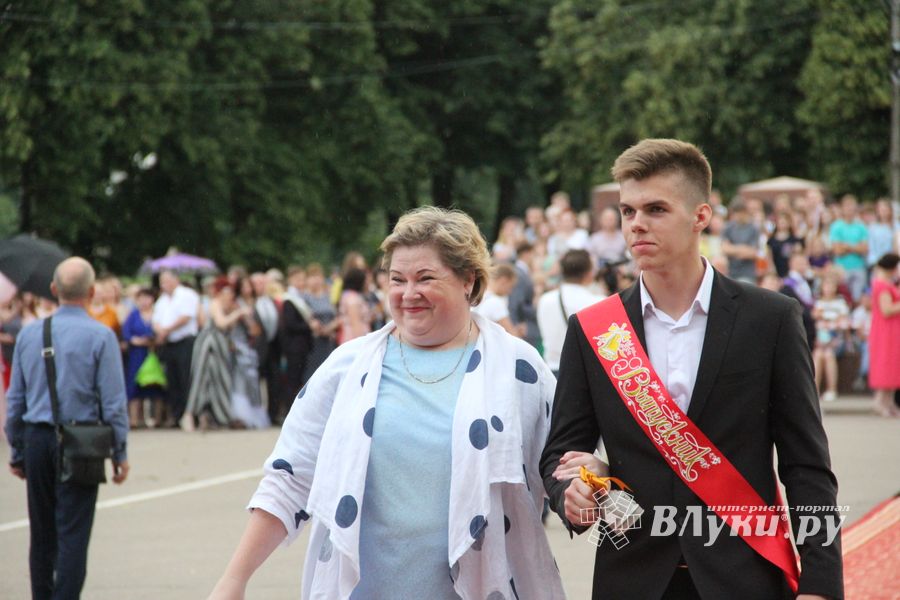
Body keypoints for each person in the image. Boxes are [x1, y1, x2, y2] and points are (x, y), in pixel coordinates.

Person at [209, 206, 565, 600]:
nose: (408, 294)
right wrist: (234, 579)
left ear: (469, 279)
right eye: (397, 280)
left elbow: (563, 462)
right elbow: (289, 477)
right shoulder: (348, 367)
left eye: (425, 278)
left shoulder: (518, 369)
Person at [540, 139, 842, 600]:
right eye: (627, 211)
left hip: (744, 575)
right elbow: (560, 451)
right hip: (633, 578)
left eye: (655, 209)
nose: (636, 224)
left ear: (701, 216)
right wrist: (571, 495)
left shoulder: (771, 319)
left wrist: (820, 583)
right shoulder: (593, 329)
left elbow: (806, 466)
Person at [5, 257, 129, 600]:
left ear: (54, 290)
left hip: (37, 437)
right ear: (91, 292)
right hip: (83, 441)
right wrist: (119, 452)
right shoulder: (101, 336)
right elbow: (113, 402)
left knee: (42, 534)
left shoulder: (30, 334)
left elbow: (15, 399)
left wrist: (17, 449)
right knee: (73, 533)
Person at [183, 278, 246, 430]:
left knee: (219, 381)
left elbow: (228, 328)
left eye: (230, 292)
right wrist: (238, 313)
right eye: (225, 291)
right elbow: (220, 323)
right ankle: (189, 415)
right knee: (200, 379)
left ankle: (215, 416)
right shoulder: (215, 303)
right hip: (209, 344)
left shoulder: (229, 307)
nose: (228, 295)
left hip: (221, 346)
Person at [537, 249, 603, 377]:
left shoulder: (545, 299)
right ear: (589, 273)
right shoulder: (598, 302)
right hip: (584, 373)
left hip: (551, 370)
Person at [152, 270, 200, 428]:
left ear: (175, 279)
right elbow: (156, 320)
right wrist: (161, 330)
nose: (163, 284)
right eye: (161, 281)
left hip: (184, 342)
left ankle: (189, 413)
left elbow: (186, 317)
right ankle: (176, 413)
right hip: (169, 343)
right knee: (172, 380)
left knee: (185, 378)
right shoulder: (162, 300)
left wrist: (167, 329)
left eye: (166, 281)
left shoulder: (187, 295)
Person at [122, 288, 164, 429]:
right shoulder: (133, 315)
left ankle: (158, 419)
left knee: (157, 385)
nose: (144, 301)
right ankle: (134, 419)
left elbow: (162, 331)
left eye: (147, 297)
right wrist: (137, 340)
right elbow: (126, 333)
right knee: (134, 385)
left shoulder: (158, 314)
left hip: (154, 353)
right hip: (137, 353)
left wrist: (155, 340)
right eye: (141, 298)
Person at [867, 252, 900, 417]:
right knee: (886, 362)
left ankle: (889, 401)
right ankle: (880, 400)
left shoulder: (885, 283)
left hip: (892, 329)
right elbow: (887, 309)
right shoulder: (882, 285)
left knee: (893, 364)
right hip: (886, 330)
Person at [812, 275, 850, 403]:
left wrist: (826, 320)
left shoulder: (840, 302)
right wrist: (832, 321)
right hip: (820, 341)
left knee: (828, 354)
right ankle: (814, 391)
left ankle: (832, 390)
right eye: (826, 285)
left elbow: (844, 324)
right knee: (818, 355)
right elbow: (816, 320)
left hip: (836, 341)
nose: (829, 288)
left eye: (831, 285)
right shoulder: (817, 302)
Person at [301, 263, 339, 384]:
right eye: (312, 277)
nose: (316, 280)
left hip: (330, 338)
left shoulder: (329, 295)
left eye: (318, 276)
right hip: (314, 340)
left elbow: (338, 315)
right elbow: (306, 316)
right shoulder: (305, 297)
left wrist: (331, 327)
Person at [829, 194, 868, 301]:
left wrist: (846, 246)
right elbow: (837, 250)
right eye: (847, 206)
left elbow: (864, 249)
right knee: (844, 298)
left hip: (859, 267)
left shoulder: (861, 226)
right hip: (841, 269)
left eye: (852, 206)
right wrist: (856, 247)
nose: (850, 209)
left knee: (857, 299)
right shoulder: (836, 226)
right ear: (842, 208)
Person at [472, 263, 520, 335]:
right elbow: (511, 334)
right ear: (503, 281)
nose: (510, 292)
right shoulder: (495, 302)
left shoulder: (478, 295)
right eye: (510, 287)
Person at [337, 267, 371, 344]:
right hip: (355, 340)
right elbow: (356, 323)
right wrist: (362, 344)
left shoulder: (348, 295)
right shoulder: (353, 299)